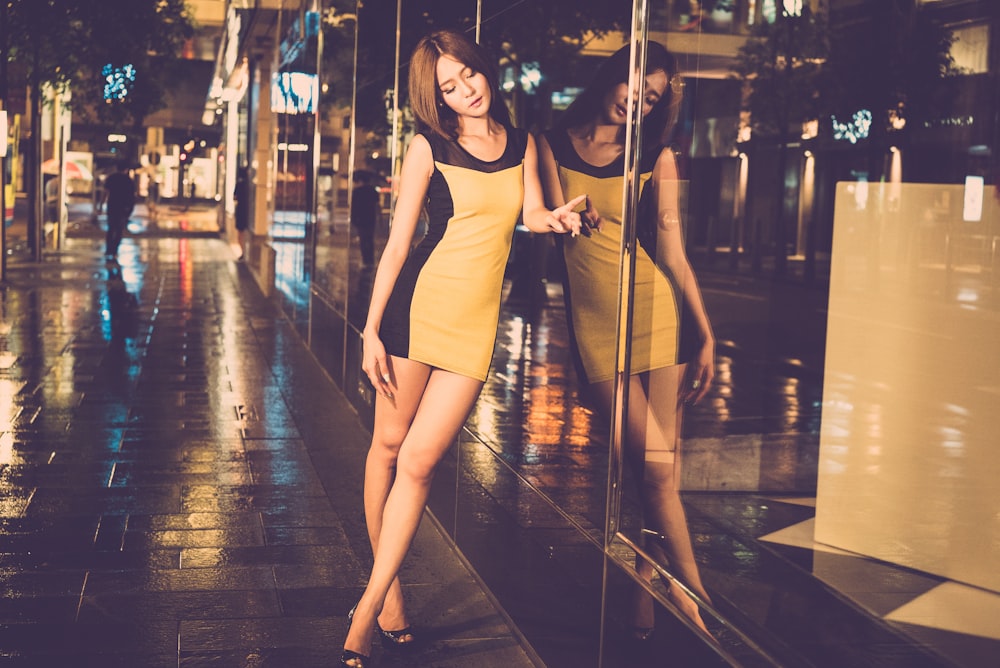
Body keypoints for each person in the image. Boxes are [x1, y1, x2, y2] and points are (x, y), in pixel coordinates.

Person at [343, 29, 585, 668]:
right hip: (414, 313)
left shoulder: (523, 143)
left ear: (485, 71)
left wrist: (557, 219)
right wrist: (369, 330)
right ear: (436, 97)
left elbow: (528, 214)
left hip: (475, 326)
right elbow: (398, 244)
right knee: (388, 448)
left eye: (468, 76)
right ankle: (384, 597)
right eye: (448, 86)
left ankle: (361, 606)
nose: (464, 91)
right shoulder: (429, 146)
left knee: (420, 463)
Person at [536, 42, 716, 640]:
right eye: (635, 84)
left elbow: (672, 254)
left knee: (658, 471)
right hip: (595, 328)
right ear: (613, 76)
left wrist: (707, 336)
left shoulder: (655, 156)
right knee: (641, 465)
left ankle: (686, 605)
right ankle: (680, 602)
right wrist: (560, 214)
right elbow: (531, 216)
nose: (637, 101)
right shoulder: (550, 144)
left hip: (657, 316)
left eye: (653, 97)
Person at [101, 159, 136, 263]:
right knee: (119, 230)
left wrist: (100, 205)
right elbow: (131, 196)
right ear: (126, 169)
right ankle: (115, 250)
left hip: (112, 206)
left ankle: (109, 250)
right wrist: (130, 209)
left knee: (111, 228)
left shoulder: (111, 178)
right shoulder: (128, 180)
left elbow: (105, 193)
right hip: (123, 208)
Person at [350, 171, 379, 268]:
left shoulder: (357, 192)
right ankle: (370, 260)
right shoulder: (373, 191)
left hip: (361, 219)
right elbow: (376, 206)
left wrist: (354, 220)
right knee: (369, 240)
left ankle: (366, 260)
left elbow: (354, 208)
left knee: (363, 240)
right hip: (371, 218)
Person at [233, 166, 251, 260]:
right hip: (247, 211)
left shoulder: (239, 184)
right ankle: (245, 252)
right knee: (244, 232)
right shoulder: (249, 185)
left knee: (240, 233)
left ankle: (243, 252)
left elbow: (235, 197)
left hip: (240, 210)